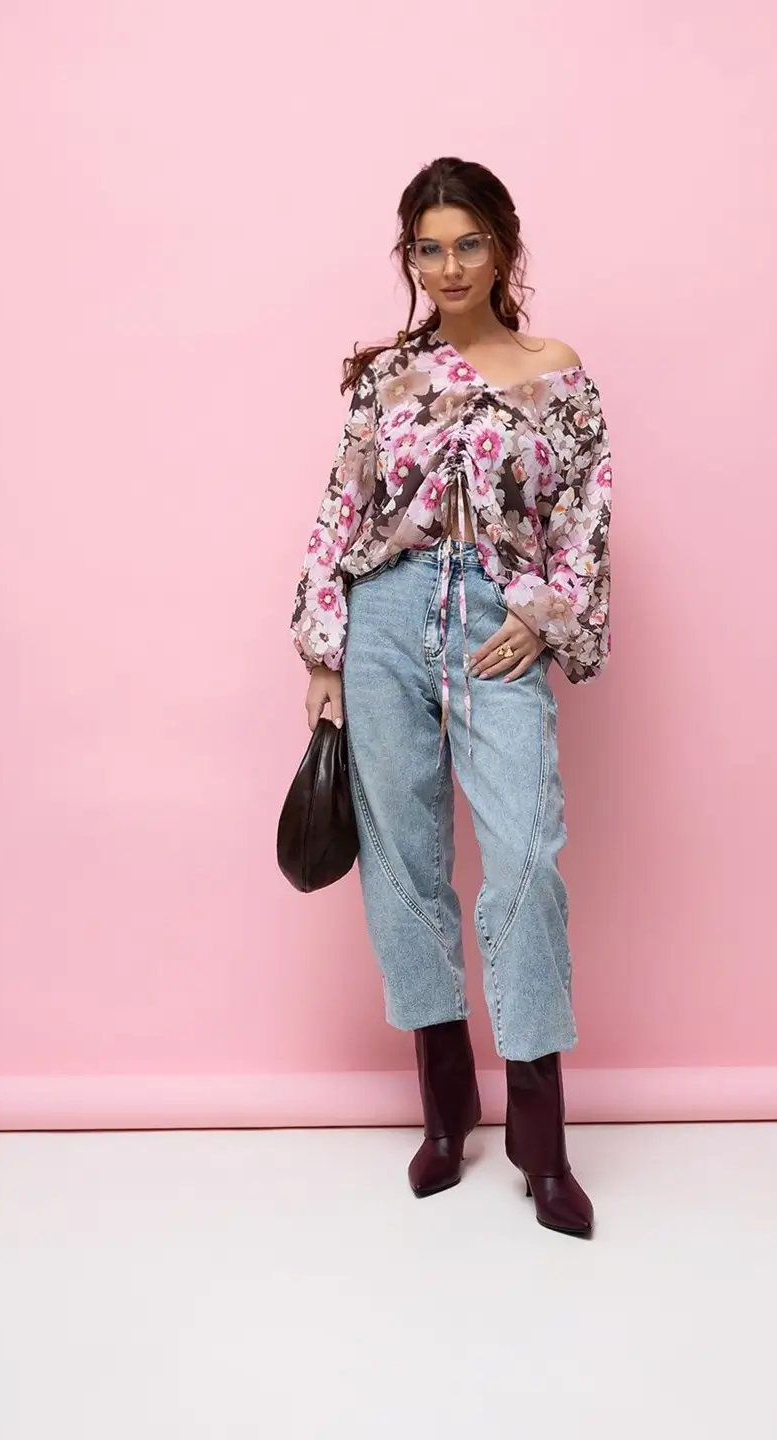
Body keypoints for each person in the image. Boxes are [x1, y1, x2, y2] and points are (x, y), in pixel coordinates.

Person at [289, 156, 613, 1239]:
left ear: (503, 247)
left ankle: (541, 1139)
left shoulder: (556, 372)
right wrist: (324, 652)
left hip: (495, 623)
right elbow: (341, 509)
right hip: (383, 617)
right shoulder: (387, 376)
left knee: (522, 856)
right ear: (409, 260)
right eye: (427, 249)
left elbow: (584, 516)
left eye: (468, 242)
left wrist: (544, 615)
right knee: (401, 864)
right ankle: (444, 1110)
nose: (449, 266)